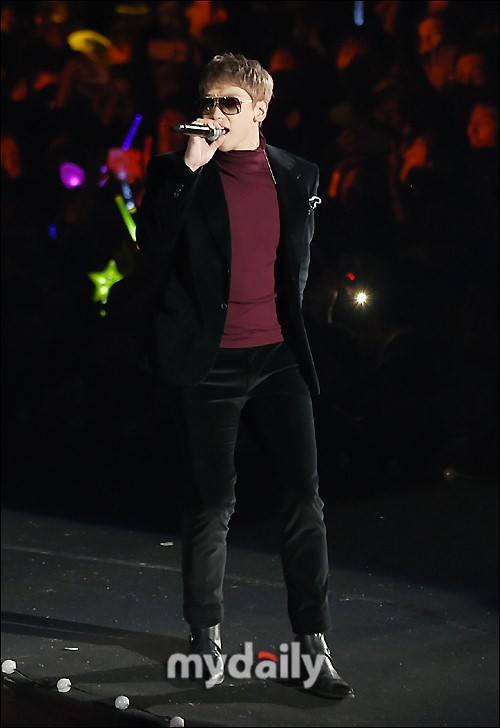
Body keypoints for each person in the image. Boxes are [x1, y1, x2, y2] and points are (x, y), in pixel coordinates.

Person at [135, 52, 353, 699]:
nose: (214, 114)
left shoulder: (298, 173)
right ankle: (205, 636)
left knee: (304, 498)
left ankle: (313, 644)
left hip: (278, 355)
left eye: (228, 103)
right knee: (212, 503)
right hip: (211, 361)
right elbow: (153, 250)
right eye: (207, 101)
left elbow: (297, 260)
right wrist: (187, 172)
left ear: (259, 109)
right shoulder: (177, 173)